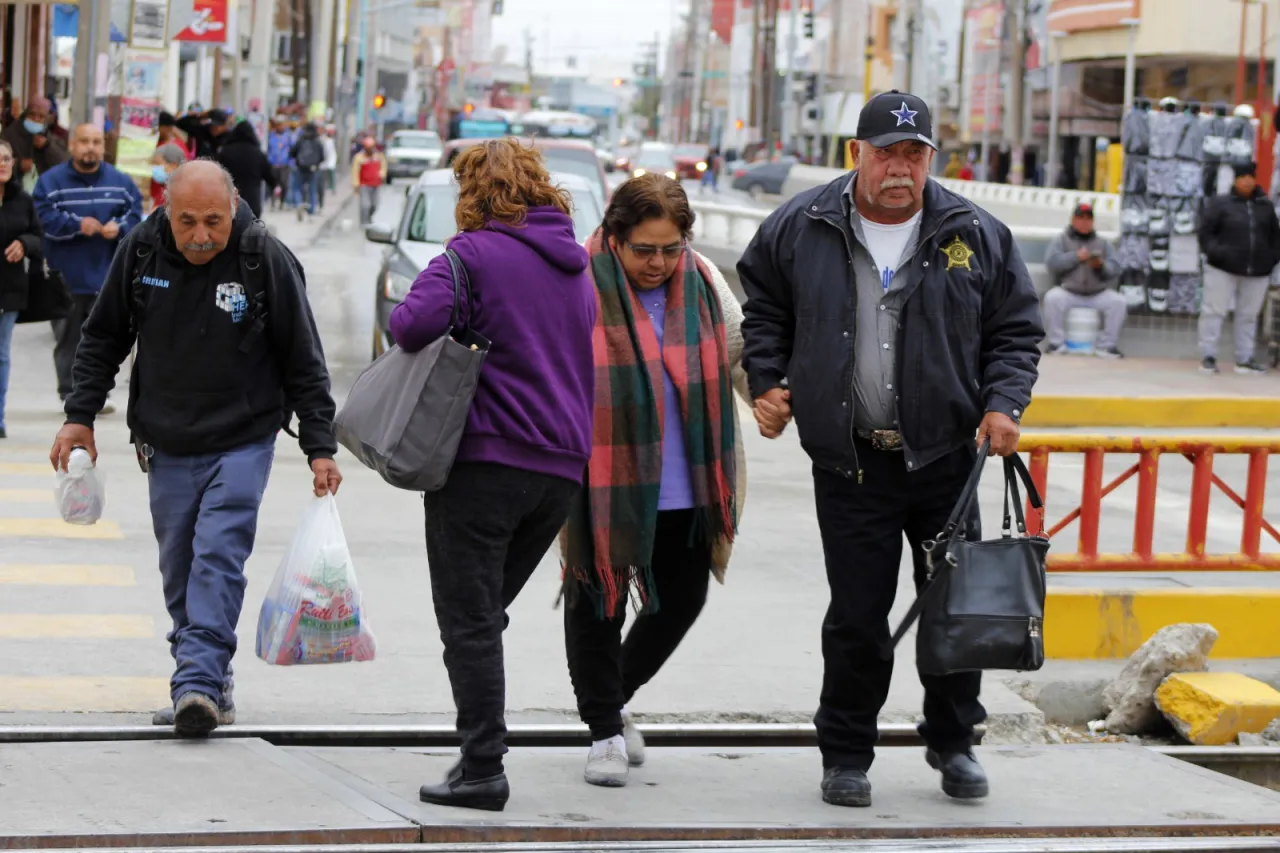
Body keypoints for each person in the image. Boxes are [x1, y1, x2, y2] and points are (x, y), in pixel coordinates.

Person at [737, 90, 1043, 808]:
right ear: (855, 155)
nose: (901, 168)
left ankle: (953, 740)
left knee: (953, 608)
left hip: (946, 460)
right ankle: (846, 752)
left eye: (915, 154)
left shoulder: (975, 231)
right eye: (886, 152)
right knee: (857, 613)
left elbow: (1015, 329)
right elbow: (764, 306)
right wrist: (767, 379)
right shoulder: (802, 224)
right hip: (851, 461)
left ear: (931, 158)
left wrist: (1005, 401)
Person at [50, 160, 341, 737]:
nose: (201, 234)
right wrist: (79, 415)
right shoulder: (141, 251)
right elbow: (103, 335)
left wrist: (319, 445)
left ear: (233, 207)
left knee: (217, 554)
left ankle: (198, 684)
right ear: (166, 209)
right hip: (166, 439)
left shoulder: (265, 258)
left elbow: (304, 359)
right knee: (180, 567)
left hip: (243, 437)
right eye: (188, 222)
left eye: (213, 220)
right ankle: (210, 678)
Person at [388, 138, 596, 812]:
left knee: (469, 619)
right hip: (560, 471)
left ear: (473, 192)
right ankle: (478, 756)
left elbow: (409, 324)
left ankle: (482, 765)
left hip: (486, 462)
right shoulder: (575, 267)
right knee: (484, 613)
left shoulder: (470, 254)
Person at [561, 174, 748, 788]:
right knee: (599, 604)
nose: (659, 262)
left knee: (682, 600)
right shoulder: (578, 285)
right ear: (615, 237)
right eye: (645, 249)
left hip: (688, 484)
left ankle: (611, 699)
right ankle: (603, 733)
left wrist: (767, 400)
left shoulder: (702, 283)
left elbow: (739, 352)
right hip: (602, 482)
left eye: (670, 248)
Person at [33, 123, 144, 407]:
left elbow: (135, 216)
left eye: (96, 141)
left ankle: (97, 393)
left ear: (103, 146)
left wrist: (118, 227)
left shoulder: (121, 182)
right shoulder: (50, 182)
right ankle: (69, 393)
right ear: (72, 145)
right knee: (69, 339)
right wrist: (78, 225)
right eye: (84, 141)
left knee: (103, 340)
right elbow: (43, 219)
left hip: (108, 276)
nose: (90, 147)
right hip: (66, 276)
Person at [1197, 162, 1279, 375]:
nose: (1247, 180)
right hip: (1222, 268)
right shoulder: (1220, 203)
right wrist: (1216, 252)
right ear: (1235, 179)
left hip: (1258, 271)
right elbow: (1205, 232)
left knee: (1249, 315)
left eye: (1250, 176)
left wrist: (1271, 259)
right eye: (1242, 176)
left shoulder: (1265, 206)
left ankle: (1244, 358)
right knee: (1214, 312)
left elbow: (1275, 237)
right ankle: (1208, 355)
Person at [0, 141, 44, 439]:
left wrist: (25, 243)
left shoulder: (23, 200)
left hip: (9, 289)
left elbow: (39, 238)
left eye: (6, 158)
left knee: (1, 354)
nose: (2, 164)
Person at [1042, 202, 1125, 358]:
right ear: (1073, 219)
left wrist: (1100, 266)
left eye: (1088, 219)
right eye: (1080, 218)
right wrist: (1075, 257)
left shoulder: (1103, 243)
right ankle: (1056, 343)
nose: (1084, 222)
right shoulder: (1061, 240)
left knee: (1118, 302)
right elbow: (1052, 264)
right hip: (1069, 291)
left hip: (1097, 292)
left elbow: (1115, 268)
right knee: (1052, 298)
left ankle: (1107, 346)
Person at [2, 95, 70, 192]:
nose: (36, 119)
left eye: (41, 116)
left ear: (46, 119)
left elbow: (64, 164)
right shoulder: (9, 134)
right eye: (32, 115)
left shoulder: (52, 138)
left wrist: (47, 146)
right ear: (25, 114)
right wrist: (19, 164)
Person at [216, 119, 277, 218]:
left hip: (230, 202)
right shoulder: (258, 154)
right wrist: (275, 186)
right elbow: (270, 176)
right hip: (252, 202)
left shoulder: (225, 152)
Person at [290, 122, 325, 221]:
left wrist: (296, 161)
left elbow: (292, 152)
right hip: (313, 169)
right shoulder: (317, 142)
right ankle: (311, 211)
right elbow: (322, 157)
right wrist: (316, 164)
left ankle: (299, 203)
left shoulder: (301, 140)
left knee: (297, 188)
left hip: (300, 168)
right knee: (312, 190)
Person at [351, 135, 387, 225]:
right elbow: (355, 171)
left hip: (375, 184)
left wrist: (382, 175)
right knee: (365, 205)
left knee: (374, 205)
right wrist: (356, 185)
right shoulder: (359, 158)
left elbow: (383, 167)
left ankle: (369, 217)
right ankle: (364, 222)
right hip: (364, 184)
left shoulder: (378, 156)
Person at [147, 143, 188, 213]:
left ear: (173, 166)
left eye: (157, 164)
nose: (153, 168)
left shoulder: (182, 193)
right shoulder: (165, 190)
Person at [267, 120, 295, 210]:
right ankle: (272, 202)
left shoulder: (288, 136)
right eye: (279, 125)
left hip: (284, 164)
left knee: (284, 184)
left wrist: (291, 162)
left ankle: (282, 202)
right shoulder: (271, 136)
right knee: (273, 184)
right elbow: (268, 148)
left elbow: (292, 150)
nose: (280, 127)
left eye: (282, 125)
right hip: (273, 163)